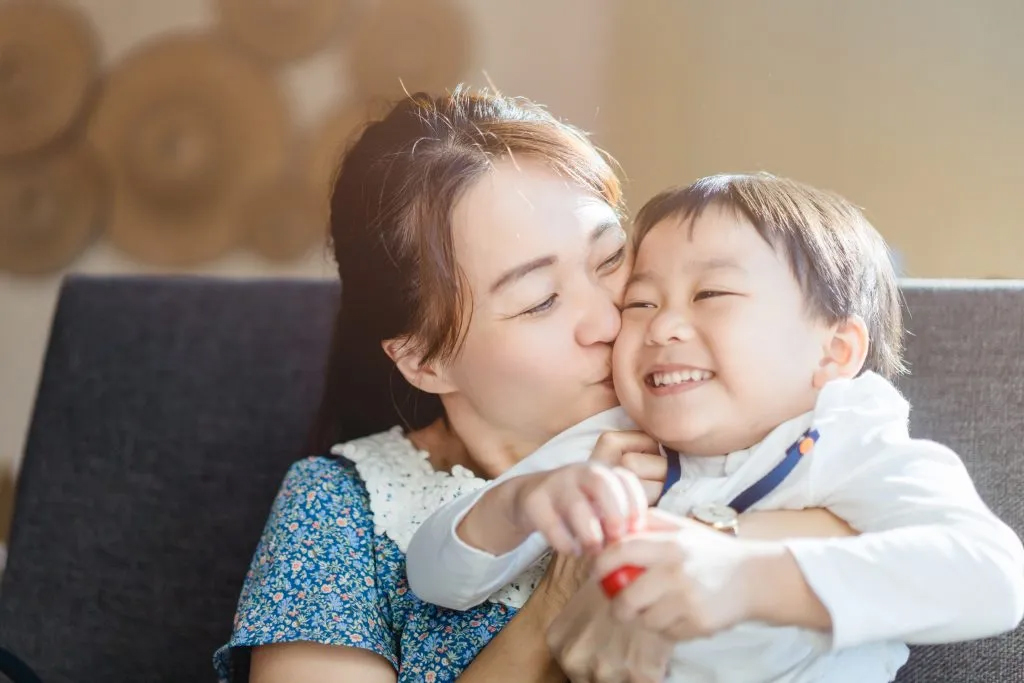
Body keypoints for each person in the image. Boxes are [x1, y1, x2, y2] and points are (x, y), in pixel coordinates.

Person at [213, 90, 855, 683]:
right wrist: (561, 601)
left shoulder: (731, 408)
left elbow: (896, 532)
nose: (610, 320)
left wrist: (704, 546)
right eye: (540, 300)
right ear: (424, 360)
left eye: (610, 260)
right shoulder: (344, 508)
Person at [405, 173, 1024, 682]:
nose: (663, 326)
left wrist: (749, 576)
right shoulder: (613, 444)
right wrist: (520, 502)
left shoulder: (854, 445)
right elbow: (435, 579)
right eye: (641, 302)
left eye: (712, 295)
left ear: (833, 353)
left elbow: (992, 576)